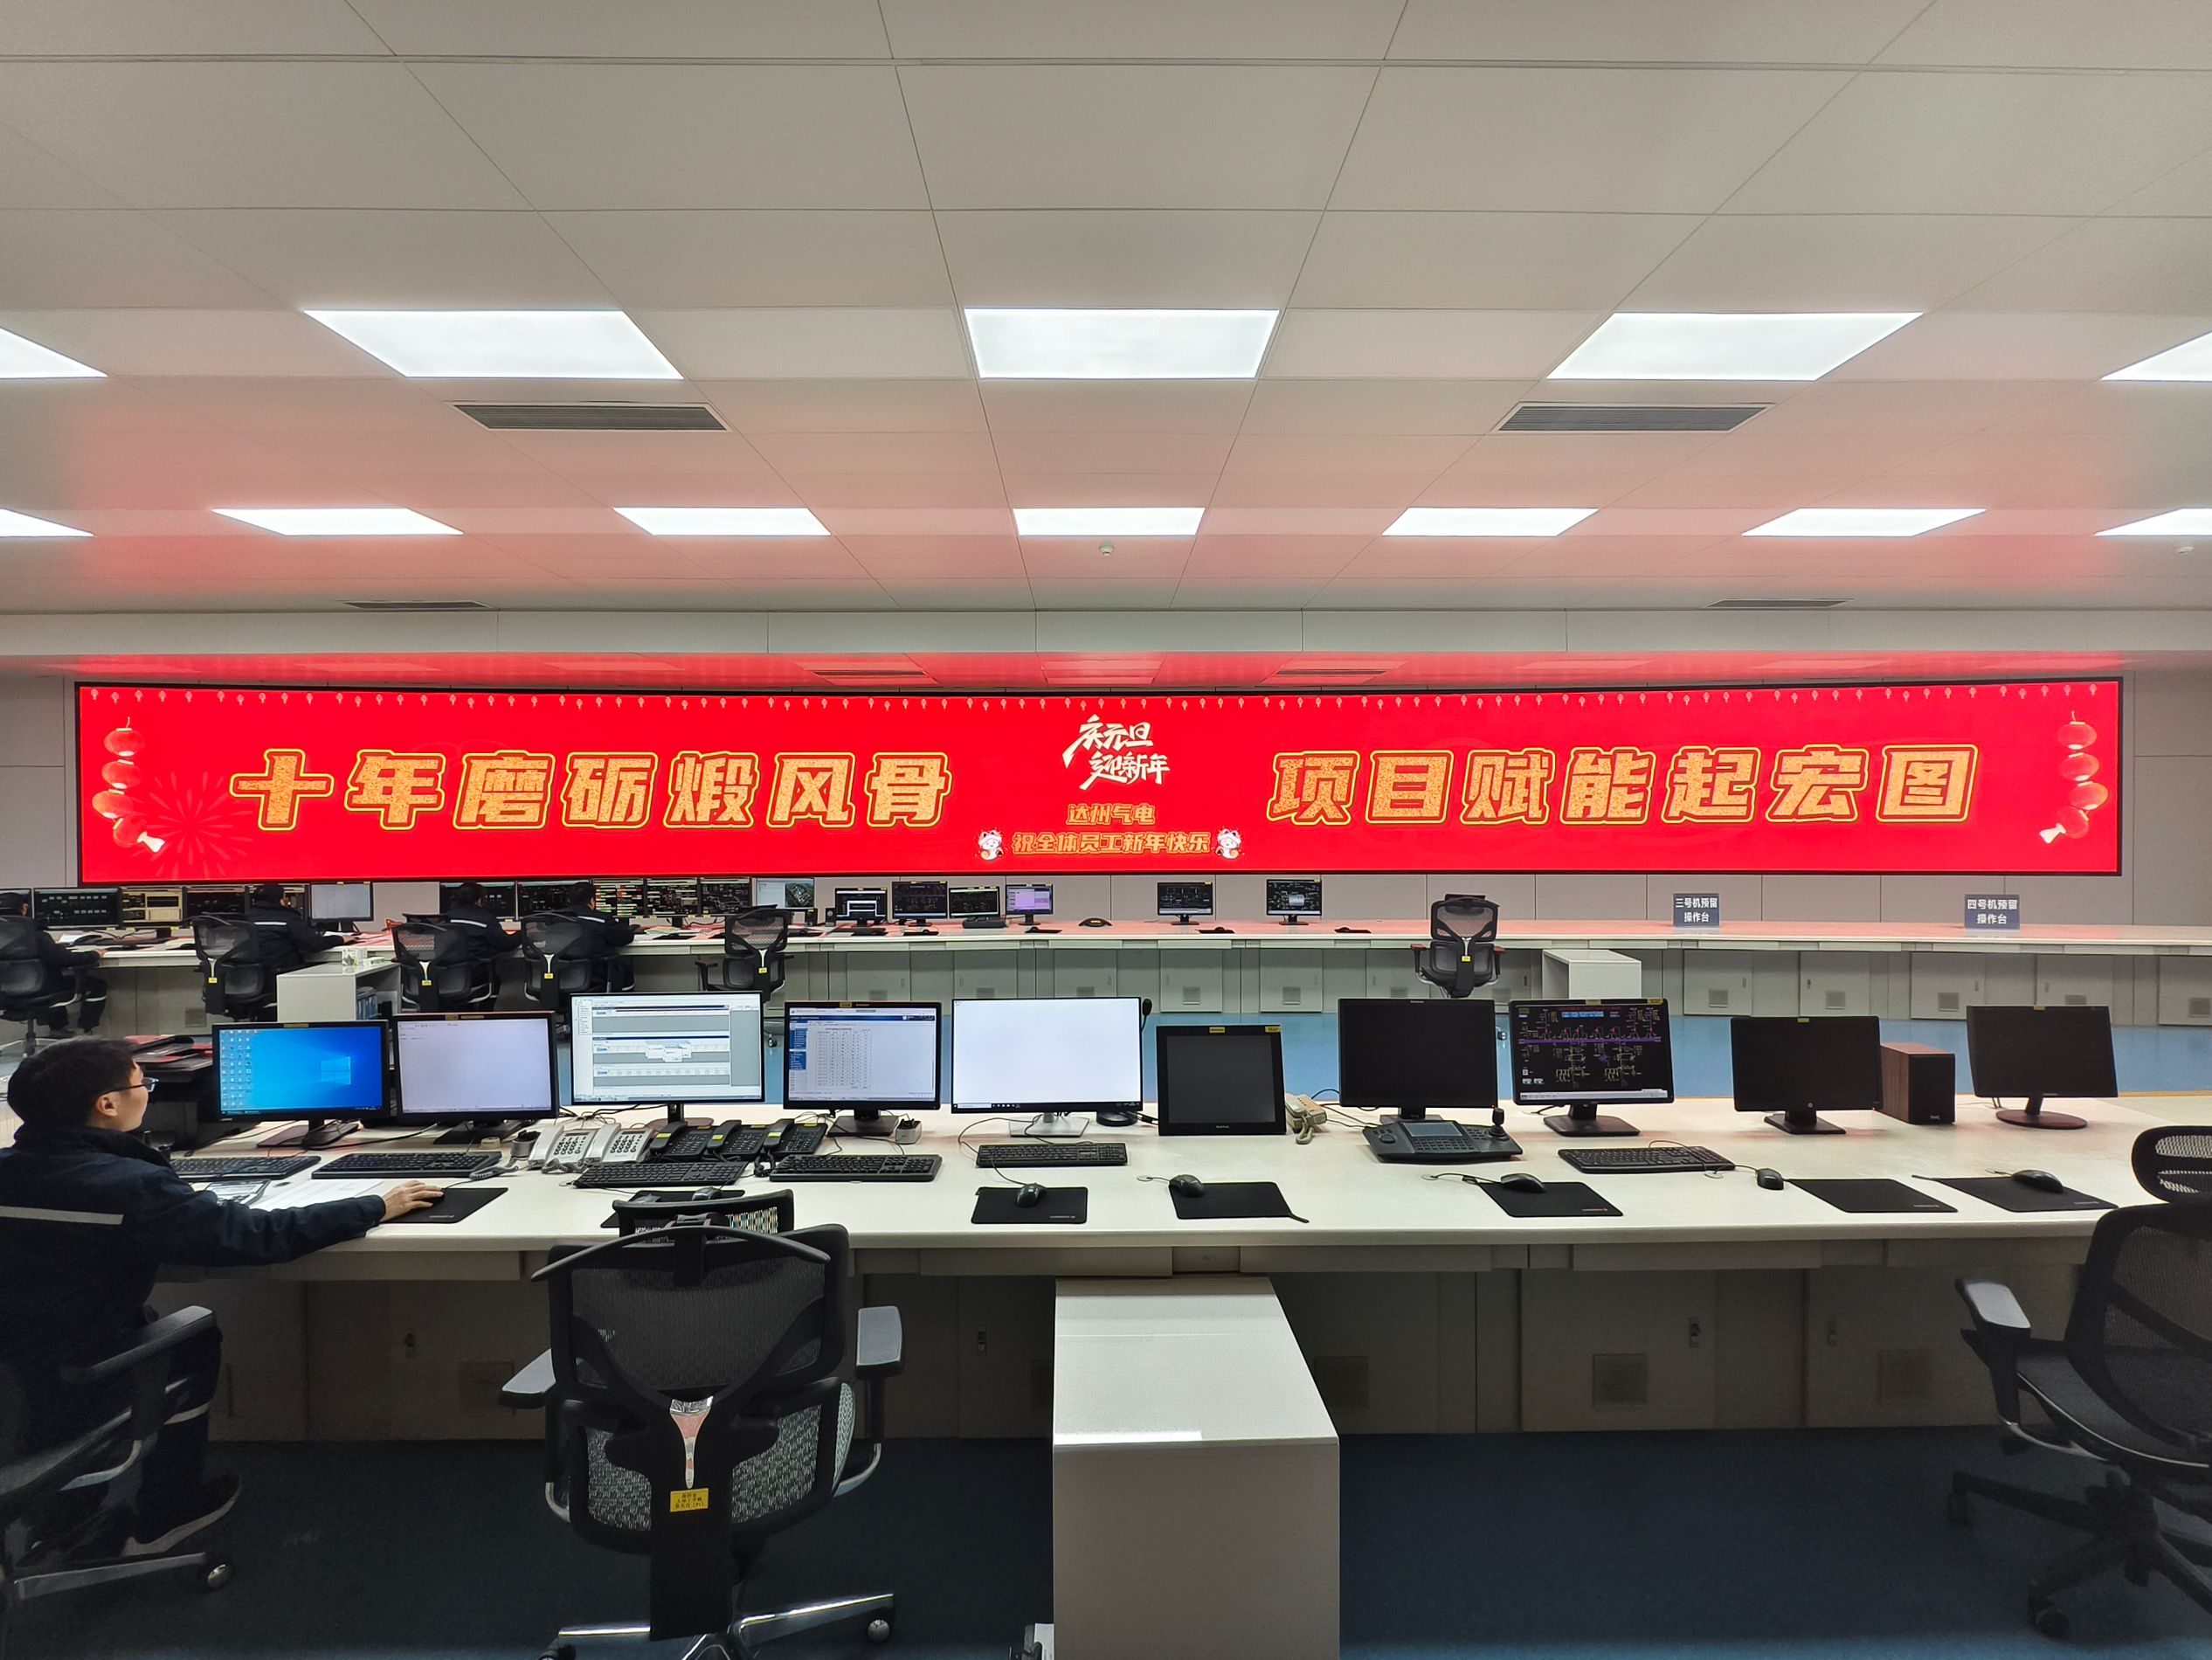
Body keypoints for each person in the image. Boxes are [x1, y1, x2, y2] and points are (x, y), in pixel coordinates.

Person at [0, 1040, 439, 1552]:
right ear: (108, 1104)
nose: (148, 1092)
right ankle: (168, 1511)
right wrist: (374, 1207)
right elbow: (254, 1238)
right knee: (191, 1339)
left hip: (17, 1372)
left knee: (138, 1317)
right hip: (73, 1376)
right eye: (143, 1083)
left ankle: (63, 1519)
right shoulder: (128, 1186)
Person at [0, 894, 107, 1034]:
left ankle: (58, 1029)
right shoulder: (35, 933)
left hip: (3, 995)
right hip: (38, 990)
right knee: (97, 985)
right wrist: (93, 954)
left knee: (50, 975)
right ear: (24, 908)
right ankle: (84, 1031)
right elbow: (63, 959)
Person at [242, 882, 338, 975]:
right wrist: (340, 939)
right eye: (284, 897)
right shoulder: (287, 918)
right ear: (280, 901)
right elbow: (312, 944)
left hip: (249, 976)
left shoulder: (244, 919)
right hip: (282, 973)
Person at [557, 880, 635, 991]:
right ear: (592, 901)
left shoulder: (554, 919)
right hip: (595, 980)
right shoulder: (601, 920)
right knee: (625, 965)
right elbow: (625, 938)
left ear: (569, 900)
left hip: (560, 979)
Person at [442, 881, 522, 978]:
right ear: (479, 900)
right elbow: (506, 944)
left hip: (446, 975)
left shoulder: (445, 918)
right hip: (476, 973)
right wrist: (523, 933)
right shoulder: (486, 919)